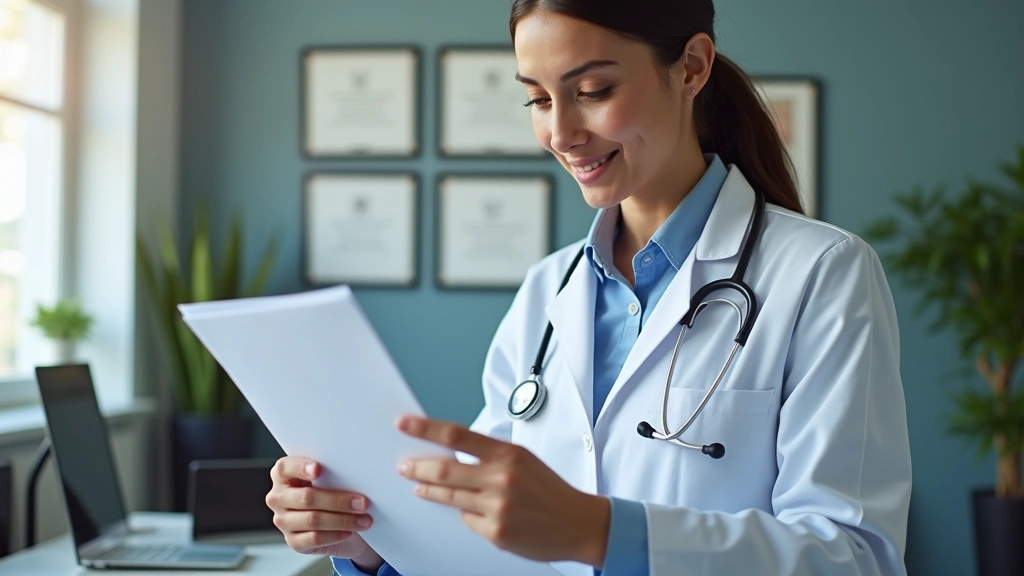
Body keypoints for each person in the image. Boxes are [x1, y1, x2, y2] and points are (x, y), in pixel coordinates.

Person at [265, 1, 913, 575]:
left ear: (691, 66)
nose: (560, 132)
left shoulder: (824, 271)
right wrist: (368, 541)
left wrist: (602, 533)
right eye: (538, 99)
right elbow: (487, 543)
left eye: (593, 89)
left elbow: (853, 557)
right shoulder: (549, 288)